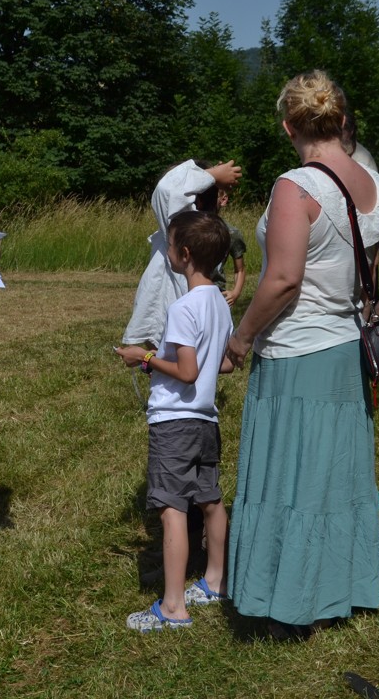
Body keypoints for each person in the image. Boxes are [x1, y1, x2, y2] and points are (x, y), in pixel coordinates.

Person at [225, 70, 379, 639]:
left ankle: (289, 603)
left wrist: (241, 337)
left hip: (297, 349)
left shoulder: (294, 187)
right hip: (345, 344)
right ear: (341, 120)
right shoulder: (372, 184)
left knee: (292, 477)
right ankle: (341, 589)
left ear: (288, 127)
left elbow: (283, 280)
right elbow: (369, 275)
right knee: (336, 475)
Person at [115, 211, 235, 631]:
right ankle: (216, 581)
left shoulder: (183, 307)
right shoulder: (219, 303)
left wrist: (144, 357)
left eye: (167, 244)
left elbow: (186, 371)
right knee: (211, 500)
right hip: (205, 420)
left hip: (174, 423)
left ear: (183, 254)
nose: (165, 250)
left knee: (172, 509)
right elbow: (223, 363)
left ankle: (172, 607)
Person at [122, 159, 241, 346]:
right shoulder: (206, 229)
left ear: (194, 199)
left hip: (174, 323)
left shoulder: (183, 227)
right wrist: (212, 177)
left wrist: (212, 175)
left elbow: (167, 190)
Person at [211, 188, 247, 306]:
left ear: (223, 200)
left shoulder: (230, 233)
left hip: (216, 293)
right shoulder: (189, 229)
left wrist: (235, 293)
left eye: (211, 196)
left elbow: (240, 269)